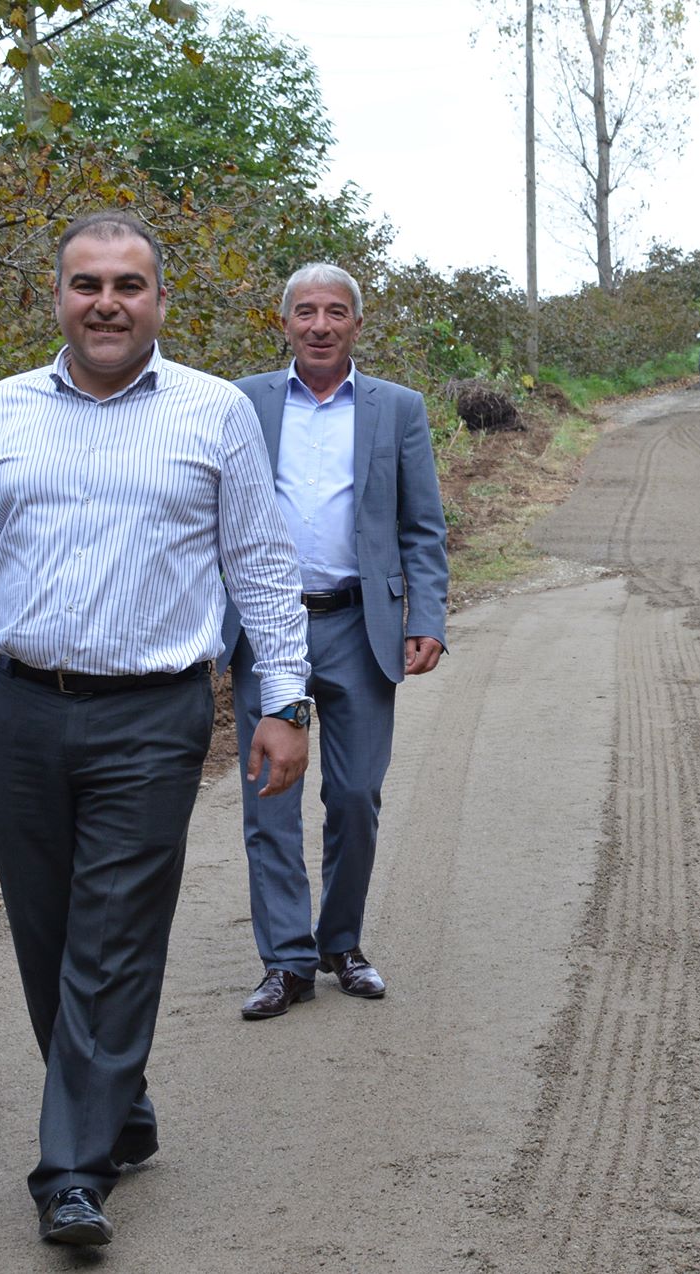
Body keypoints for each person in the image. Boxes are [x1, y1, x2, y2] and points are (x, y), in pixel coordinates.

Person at [0, 210, 314, 1247]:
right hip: (24, 708)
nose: (106, 301)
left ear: (160, 302)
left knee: (112, 941)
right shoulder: (4, 410)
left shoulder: (215, 412)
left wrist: (284, 700)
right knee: (48, 939)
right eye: (86, 283)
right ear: (57, 297)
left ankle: (71, 1171)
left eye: (128, 284)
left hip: (153, 716)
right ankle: (119, 1112)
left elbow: (262, 569)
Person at [222, 262, 448, 1020]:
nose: (320, 325)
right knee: (269, 801)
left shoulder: (398, 409)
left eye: (336, 312)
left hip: (359, 621)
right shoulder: (241, 403)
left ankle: (339, 943)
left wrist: (427, 616)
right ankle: (284, 960)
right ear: (283, 322)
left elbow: (421, 526)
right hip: (265, 623)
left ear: (357, 323)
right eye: (306, 312)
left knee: (355, 794)